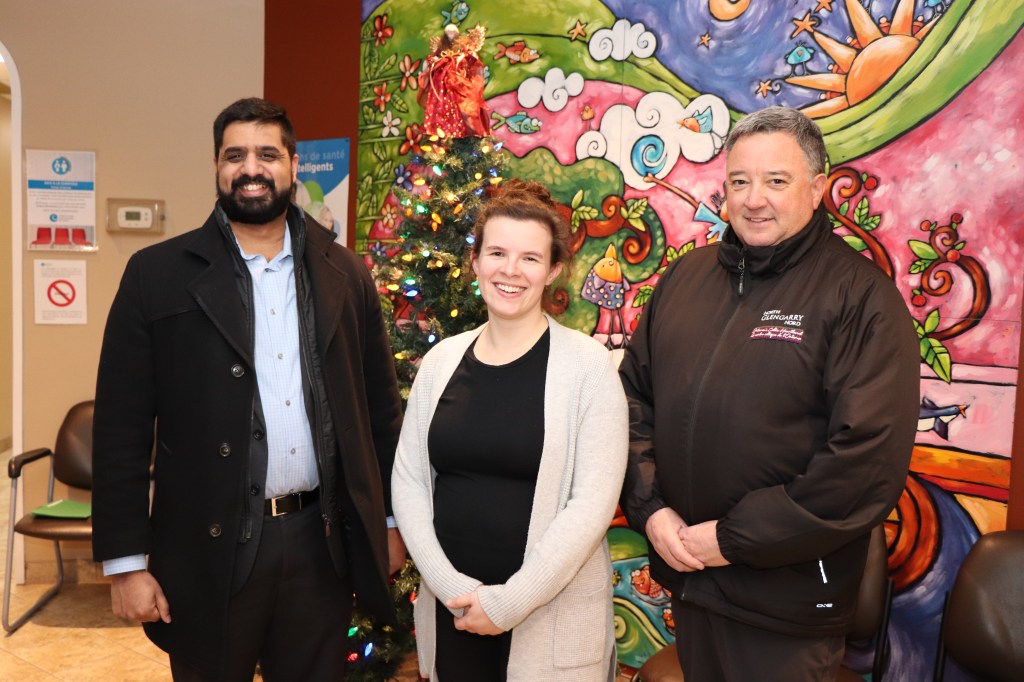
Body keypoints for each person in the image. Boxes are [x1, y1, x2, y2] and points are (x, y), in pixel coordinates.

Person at [92, 98, 405, 681]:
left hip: (320, 546)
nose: (251, 169)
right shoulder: (156, 276)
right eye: (235, 155)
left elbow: (380, 412)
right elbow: (120, 429)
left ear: (293, 164)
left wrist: (386, 522)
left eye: (267, 154)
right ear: (216, 166)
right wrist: (126, 563)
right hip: (208, 550)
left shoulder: (346, 273)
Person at [618, 107, 919, 682]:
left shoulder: (861, 298)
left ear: (817, 188)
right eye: (740, 181)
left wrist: (731, 540)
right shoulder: (685, 278)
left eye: (776, 181)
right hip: (693, 581)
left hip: (787, 608)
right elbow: (631, 401)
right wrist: (650, 508)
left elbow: (864, 463)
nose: (754, 200)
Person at [391, 179, 627, 681]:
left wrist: (508, 603)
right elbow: (409, 481)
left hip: (547, 618)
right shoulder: (440, 363)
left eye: (530, 258)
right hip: (453, 612)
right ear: (475, 261)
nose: (510, 270)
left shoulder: (590, 369)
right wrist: (451, 588)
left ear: (553, 269)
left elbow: (593, 504)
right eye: (497, 253)